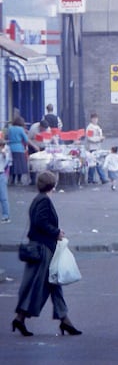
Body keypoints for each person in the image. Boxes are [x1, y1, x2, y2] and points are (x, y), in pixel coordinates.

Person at [13, 170, 82, 338]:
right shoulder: (44, 201)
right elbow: (41, 222)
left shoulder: (39, 199)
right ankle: (20, 318)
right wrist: (56, 232)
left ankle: (65, 320)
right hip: (43, 249)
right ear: (53, 184)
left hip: (42, 247)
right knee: (39, 285)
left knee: (54, 284)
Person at [7, 116, 35, 186]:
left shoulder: (10, 128)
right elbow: (26, 139)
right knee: (19, 165)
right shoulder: (20, 129)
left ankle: (12, 180)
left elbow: (7, 137)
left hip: (11, 148)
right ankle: (19, 180)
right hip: (19, 148)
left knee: (12, 164)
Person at [85, 113, 108, 185]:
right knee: (97, 163)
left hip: (97, 147)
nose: (95, 120)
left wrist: (101, 139)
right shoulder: (90, 128)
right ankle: (102, 178)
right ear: (91, 119)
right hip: (92, 147)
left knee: (93, 164)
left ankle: (90, 179)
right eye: (94, 119)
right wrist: (99, 139)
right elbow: (89, 138)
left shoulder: (97, 127)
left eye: (96, 119)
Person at [0, 138, 10, 223]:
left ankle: (6, 216)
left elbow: (7, 160)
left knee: (3, 197)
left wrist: (3, 153)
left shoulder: (4, 153)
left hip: (1, 174)